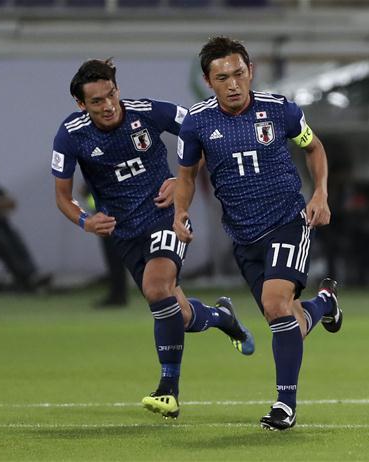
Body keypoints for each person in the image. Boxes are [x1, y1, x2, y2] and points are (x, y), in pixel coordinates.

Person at [51, 58, 255, 419]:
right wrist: (85, 221)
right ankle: (223, 318)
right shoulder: (71, 135)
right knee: (180, 312)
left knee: (157, 288)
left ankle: (168, 389)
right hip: (125, 233)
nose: (109, 105)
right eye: (97, 101)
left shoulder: (147, 112)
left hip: (166, 218)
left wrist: (182, 180)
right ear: (81, 105)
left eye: (112, 94)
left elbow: (206, 132)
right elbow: (63, 197)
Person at [173, 37, 343, 431]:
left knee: (276, 303)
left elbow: (314, 147)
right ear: (207, 80)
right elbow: (185, 175)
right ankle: (325, 304)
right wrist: (180, 211)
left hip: (287, 219)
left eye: (238, 74)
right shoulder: (196, 122)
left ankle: (285, 406)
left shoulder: (279, 110)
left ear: (250, 71)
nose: (233, 84)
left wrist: (320, 193)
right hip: (243, 235)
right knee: (285, 318)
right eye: (222, 77)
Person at [0, 177, 51, 292]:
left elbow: (11, 204)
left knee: (16, 240)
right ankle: (25, 277)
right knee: (1, 240)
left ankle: (31, 274)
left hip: (2, 226)